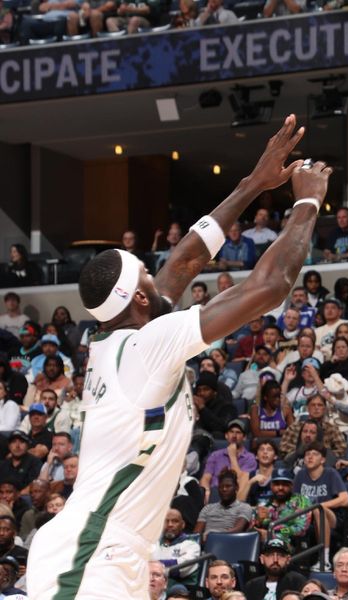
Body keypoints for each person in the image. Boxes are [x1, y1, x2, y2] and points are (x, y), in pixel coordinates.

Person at [27, 114, 328, 600]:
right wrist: (308, 201)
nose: (158, 274)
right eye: (147, 273)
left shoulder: (117, 336)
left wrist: (254, 183)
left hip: (104, 547)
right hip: (91, 552)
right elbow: (271, 287)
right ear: (139, 299)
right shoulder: (146, 345)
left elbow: (184, 262)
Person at [293, 441, 348, 571]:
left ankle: (324, 559)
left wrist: (319, 506)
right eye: (307, 454)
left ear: (323, 459)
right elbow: (295, 501)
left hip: (332, 517)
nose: (310, 457)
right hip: (306, 518)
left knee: (319, 510)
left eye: (315, 454)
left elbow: (345, 499)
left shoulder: (330, 473)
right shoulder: (300, 475)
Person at [194, 469, 253, 540]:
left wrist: (214, 537)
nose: (224, 489)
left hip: (228, 542)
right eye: (221, 486)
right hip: (206, 544)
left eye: (228, 486)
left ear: (236, 487)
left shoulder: (244, 507)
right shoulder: (207, 508)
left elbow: (238, 530)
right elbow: (197, 533)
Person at [152, 507, 201, 586]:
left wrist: (153, 566)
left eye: (175, 521)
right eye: (166, 521)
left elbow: (178, 570)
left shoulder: (191, 544)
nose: (170, 525)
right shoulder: (153, 542)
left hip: (180, 589)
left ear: (182, 525)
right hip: (154, 584)